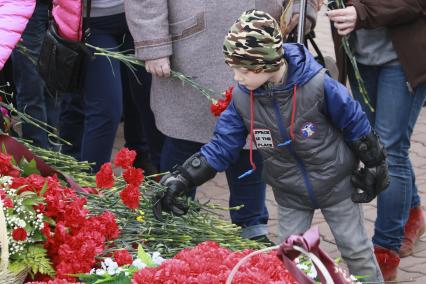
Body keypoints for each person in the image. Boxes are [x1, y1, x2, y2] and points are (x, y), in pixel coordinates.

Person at [154, 10, 389, 282]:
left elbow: (355, 123)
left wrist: (375, 162)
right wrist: (184, 178)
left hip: (336, 185)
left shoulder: (318, 85)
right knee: (288, 260)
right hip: (290, 193)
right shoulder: (243, 98)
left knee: (356, 250)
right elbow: (221, 145)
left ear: (264, 63)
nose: (236, 78)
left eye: (242, 70)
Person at [125, 0, 320, 242]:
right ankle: (170, 232)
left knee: (253, 145)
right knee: (184, 145)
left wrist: (303, 9)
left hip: (262, 48)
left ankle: (251, 231)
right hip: (194, 49)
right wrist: (153, 42)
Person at [327, 1, 426, 280]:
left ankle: (385, 249)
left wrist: (361, 12)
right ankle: (412, 210)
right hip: (360, 59)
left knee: (389, 152)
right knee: (377, 145)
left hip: (401, 62)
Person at [59, 0, 162, 173]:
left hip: (141, 17)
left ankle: (167, 183)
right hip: (93, 22)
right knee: (106, 109)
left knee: (151, 101)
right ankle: (91, 187)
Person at [11, 0, 61, 149]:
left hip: (57, 6)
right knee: (31, 85)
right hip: (25, 7)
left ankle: (51, 150)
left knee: (52, 83)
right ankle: (40, 153)